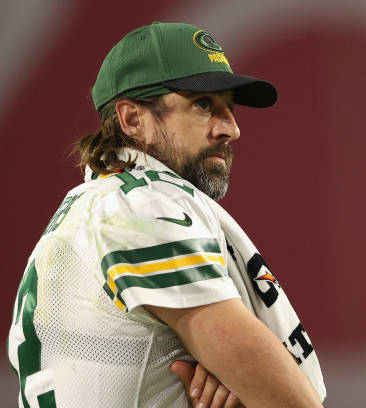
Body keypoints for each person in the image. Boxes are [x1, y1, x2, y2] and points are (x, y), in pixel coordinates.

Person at [7, 22, 326, 408]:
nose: (231, 129)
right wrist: (257, 379)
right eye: (203, 104)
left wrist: (233, 370)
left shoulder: (97, 203)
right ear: (132, 120)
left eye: (230, 108)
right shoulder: (142, 207)